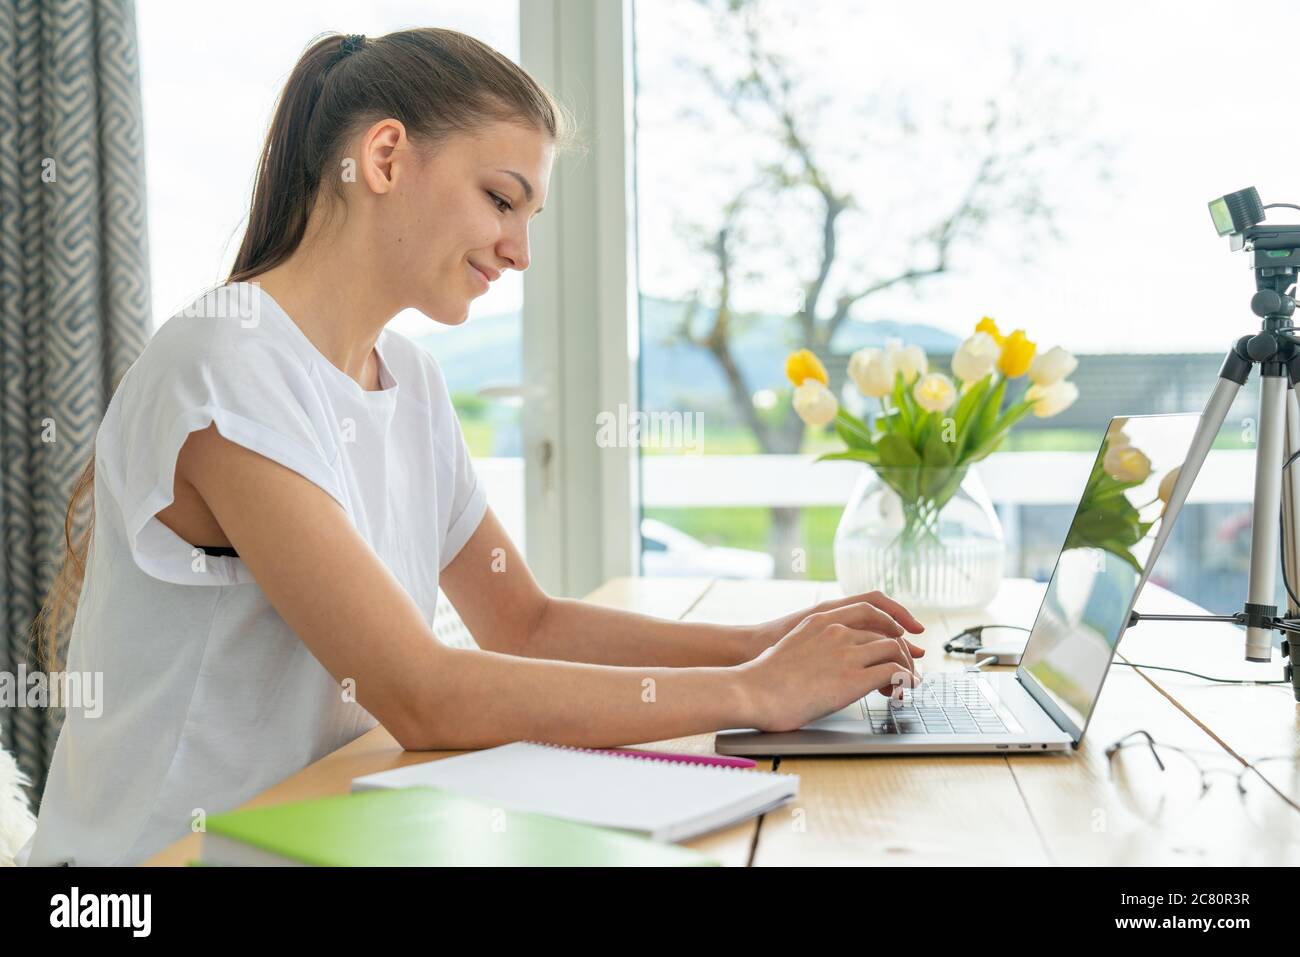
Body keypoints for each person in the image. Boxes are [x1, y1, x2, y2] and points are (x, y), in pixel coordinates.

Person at [22, 28, 924, 866]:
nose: (520, 249)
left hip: (312, 832)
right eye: (502, 199)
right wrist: (754, 694)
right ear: (383, 157)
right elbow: (420, 693)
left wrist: (763, 644)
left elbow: (527, 622)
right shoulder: (224, 362)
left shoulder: (408, 380)